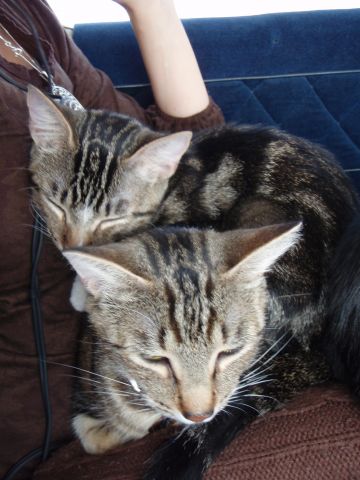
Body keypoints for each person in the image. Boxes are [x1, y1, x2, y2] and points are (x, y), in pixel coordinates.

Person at [0, 0, 224, 478]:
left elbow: (190, 148)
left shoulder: (24, 17)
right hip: (47, 437)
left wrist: (151, 9)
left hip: (160, 386)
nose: (75, 241)